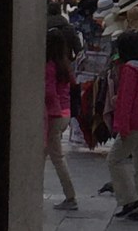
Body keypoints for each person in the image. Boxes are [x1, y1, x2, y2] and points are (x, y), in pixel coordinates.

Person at [107, 32, 138, 222]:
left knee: (114, 160)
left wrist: (121, 125)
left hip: (134, 124)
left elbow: (127, 99)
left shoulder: (129, 69)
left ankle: (130, 200)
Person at [44, 29, 78, 210]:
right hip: (66, 113)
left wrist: (52, 111)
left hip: (54, 115)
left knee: (56, 157)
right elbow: (72, 84)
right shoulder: (64, 64)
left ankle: (71, 197)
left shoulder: (49, 66)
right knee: (44, 154)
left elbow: (49, 92)